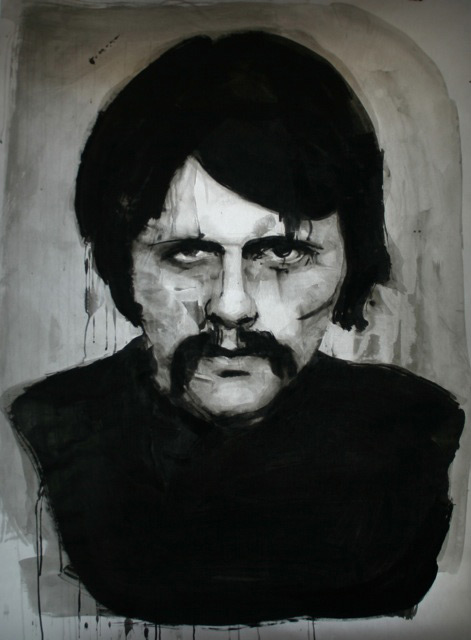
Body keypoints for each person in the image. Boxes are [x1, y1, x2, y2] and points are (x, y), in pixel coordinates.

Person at [7, 32, 464, 626]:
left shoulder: (423, 435)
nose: (230, 306)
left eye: (282, 253)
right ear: (122, 265)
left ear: (351, 262)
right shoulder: (37, 437)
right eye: (187, 254)